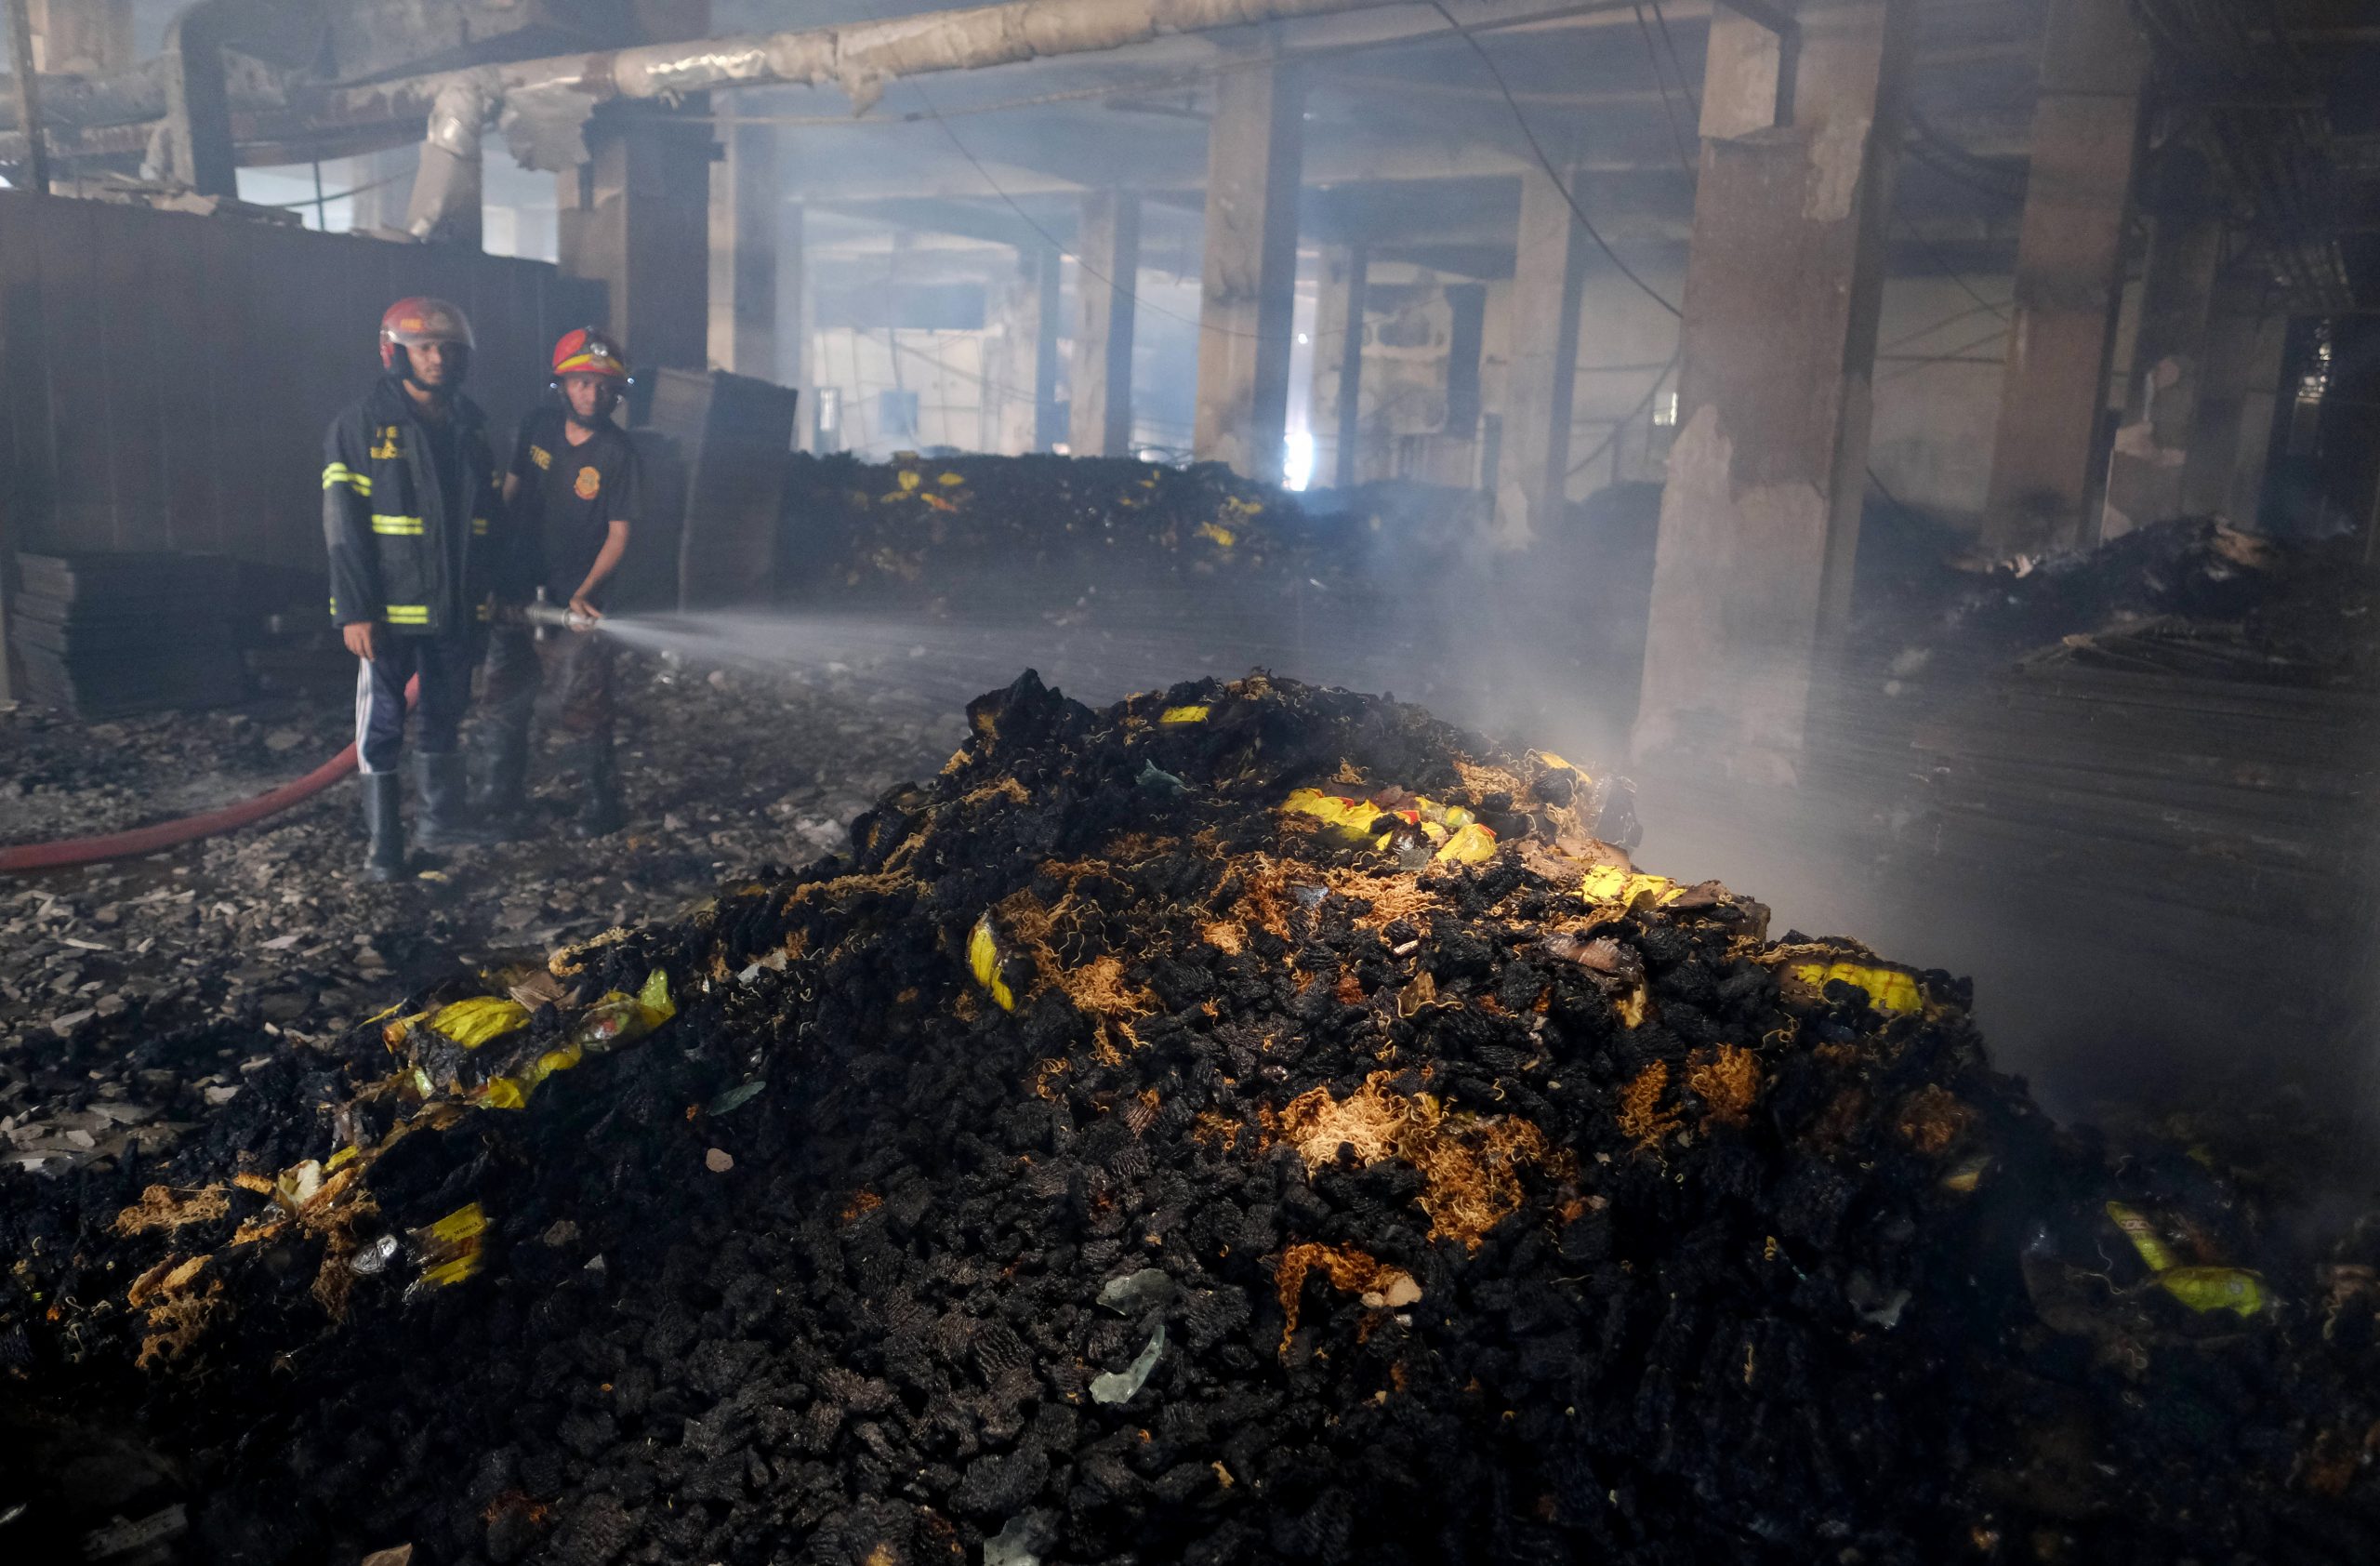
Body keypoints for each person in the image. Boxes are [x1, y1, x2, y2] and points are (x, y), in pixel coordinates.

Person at [325, 297, 520, 881]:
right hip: (386, 612)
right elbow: (344, 527)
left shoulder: (471, 427)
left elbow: (487, 523)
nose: (438, 358)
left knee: (445, 713)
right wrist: (354, 609)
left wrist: (492, 591)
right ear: (396, 353)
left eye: (448, 349)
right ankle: (385, 848)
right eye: (425, 348)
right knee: (382, 723)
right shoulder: (360, 426)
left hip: (456, 608)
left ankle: (442, 822)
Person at [475, 326, 641, 838]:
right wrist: (491, 566)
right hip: (517, 587)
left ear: (617, 393)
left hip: (576, 600)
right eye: (582, 383)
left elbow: (619, 535)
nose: (593, 395)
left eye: (604, 387)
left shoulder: (618, 453)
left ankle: (599, 803)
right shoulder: (537, 428)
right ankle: (499, 794)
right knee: (503, 695)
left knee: (583, 703)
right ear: (562, 386)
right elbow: (509, 495)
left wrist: (584, 593)